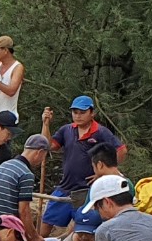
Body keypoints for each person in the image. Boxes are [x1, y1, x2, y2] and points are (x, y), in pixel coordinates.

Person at [46, 95, 126, 228]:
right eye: (75, 112)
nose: (78, 116)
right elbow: (49, 146)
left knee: (83, 228)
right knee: (46, 225)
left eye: (82, 112)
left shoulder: (101, 132)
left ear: (92, 113)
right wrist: (46, 124)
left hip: (87, 190)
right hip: (65, 187)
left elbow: (121, 150)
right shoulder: (66, 130)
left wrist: (105, 173)